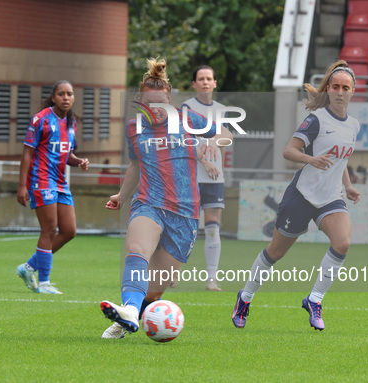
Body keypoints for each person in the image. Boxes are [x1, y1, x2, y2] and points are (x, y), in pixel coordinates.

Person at [100, 58, 233, 339]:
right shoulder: (134, 128)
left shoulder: (187, 119)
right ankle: (128, 312)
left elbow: (226, 133)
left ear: (171, 99)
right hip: (149, 202)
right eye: (150, 103)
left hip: (184, 215)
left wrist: (212, 140)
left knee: (155, 289)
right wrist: (122, 196)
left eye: (161, 102)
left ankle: (131, 315)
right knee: (137, 251)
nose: (156, 108)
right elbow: (136, 165)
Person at [231, 60, 361, 331]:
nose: (339, 91)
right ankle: (245, 297)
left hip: (330, 198)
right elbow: (288, 151)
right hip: (301, 196)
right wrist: (310, 159)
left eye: (345, 87)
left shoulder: (354, 125)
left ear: (352, 91)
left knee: (343, 243)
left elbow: (340, 160)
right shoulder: (316, 119)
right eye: (334, 86)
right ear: (327, 89)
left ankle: (314, 300)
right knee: (275, 253)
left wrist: (347, 186)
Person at [15, 80, 89, 295]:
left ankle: (28, 267)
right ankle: (44, 283)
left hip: (59, 182)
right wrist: (22, 186)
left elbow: (66, 155)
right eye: (61, 94)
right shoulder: (41, 120)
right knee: (50, 229)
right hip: (41, 179)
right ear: (54, 97)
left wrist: (78, 161)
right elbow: (27, 153)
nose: (66, 98)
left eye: (70, 94)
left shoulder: (71, 123)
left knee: (69, 231)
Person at [180, 65, 226, 291]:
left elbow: (227, 135)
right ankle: (171, 273)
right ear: (194, 84)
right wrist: (205, 161)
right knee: (185, 226)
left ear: (215, 83)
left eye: (209, 78)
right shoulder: (188, 107)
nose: (206, 82)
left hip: (215, 179)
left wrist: (214, 141)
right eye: (201, 78)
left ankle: (211, 279)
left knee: (212, 228)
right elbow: (186, 140)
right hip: (192, 175)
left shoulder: (222, 109)